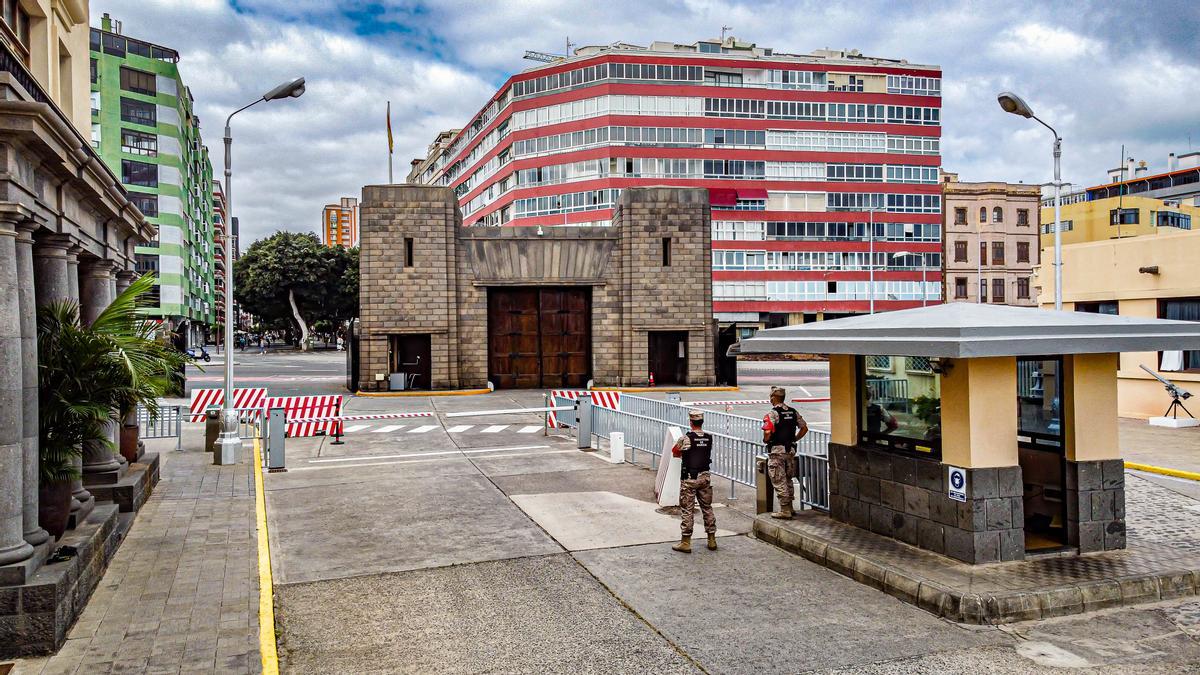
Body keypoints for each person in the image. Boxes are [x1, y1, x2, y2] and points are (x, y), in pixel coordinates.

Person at [670, 410, 718, 553]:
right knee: (707, 508)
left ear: (691, 422)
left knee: (687, 509)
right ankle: (711, 539)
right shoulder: (709, 438)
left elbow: (675, 452)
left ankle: (685, 542)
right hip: (705, 478)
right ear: (702, 422)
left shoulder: (686, 438)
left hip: (689, 479)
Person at [762, 386, 808, 519]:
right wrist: (794, 439)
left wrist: (766, 440)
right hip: (790, 451)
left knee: (778, 479)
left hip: (777, 451)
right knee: (788, 479)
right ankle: (790, 507)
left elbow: (767, 431)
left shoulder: (773, 413)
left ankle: (784, 510)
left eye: (771, 397)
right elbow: (804, 428)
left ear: (773, 397)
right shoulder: (793, 412)